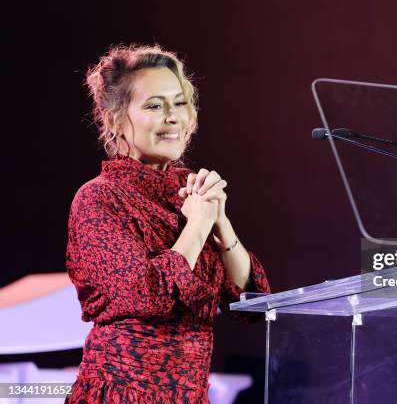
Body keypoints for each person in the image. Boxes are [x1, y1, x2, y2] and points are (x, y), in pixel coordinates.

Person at [65, 44, 270, 403]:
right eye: (154, 105)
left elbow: (251, 302)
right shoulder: (98, 199)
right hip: (122, 394)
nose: (173, 116)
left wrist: (220, 224)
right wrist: (197, 226)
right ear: (114, 119)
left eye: (180, 103)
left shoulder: (190, 193)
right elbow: (147, 295)